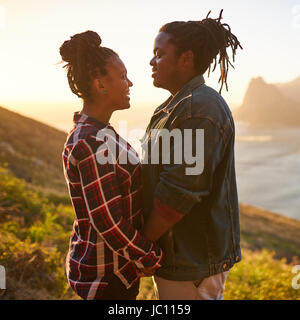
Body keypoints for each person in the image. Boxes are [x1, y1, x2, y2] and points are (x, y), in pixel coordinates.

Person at [141, 10, 242, 300]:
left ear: (186, 58)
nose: (151, 61)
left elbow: (177, 196)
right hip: (179, 254)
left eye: (159, 54)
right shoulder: (177, 105)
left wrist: (141, 248)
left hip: (191, 259)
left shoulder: (199, 108)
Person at [59, 30, 164, 300]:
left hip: (115, 270)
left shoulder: (100, 132)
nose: (130, 83)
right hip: (106, 279)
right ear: (99, 84)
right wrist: (148, 255)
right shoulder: (90, 142)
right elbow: (108, 221)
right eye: (122, 77)